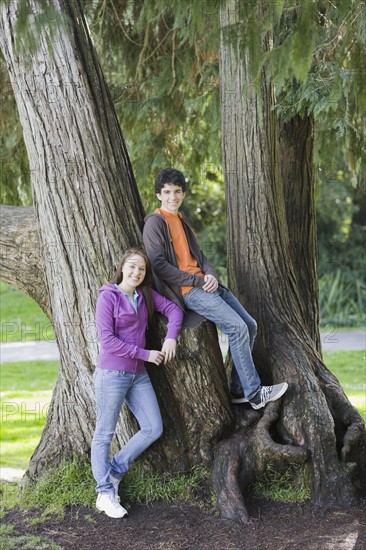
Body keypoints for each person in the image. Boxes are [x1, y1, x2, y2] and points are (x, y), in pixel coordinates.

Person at [143, 167, 288, 411]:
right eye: (167, 192)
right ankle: (254, 392)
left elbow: (199, 256)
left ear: (184, 194)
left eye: (177, 192)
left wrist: (210, 274)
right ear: (159, 195)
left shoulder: (182, 221)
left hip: (207, 284)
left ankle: (238, 390)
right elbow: (158, 265)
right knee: (236, 327)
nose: (172, 197)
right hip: (188, 291)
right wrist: (199, 281)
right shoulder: (155, 223)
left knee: (249, 325)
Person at [91, 248, 183, 518]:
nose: (136, 272)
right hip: (112, 374)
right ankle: (104, 492)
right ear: (122, 268)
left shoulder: (145, 295)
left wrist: (171, 337)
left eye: (141, 269)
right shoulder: (108, 296)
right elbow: (107, 341)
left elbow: (175, 311)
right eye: (132, 267)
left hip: (138, 375)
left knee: (153, 428)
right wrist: (145, 354)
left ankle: (115, 471)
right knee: (104, 434)